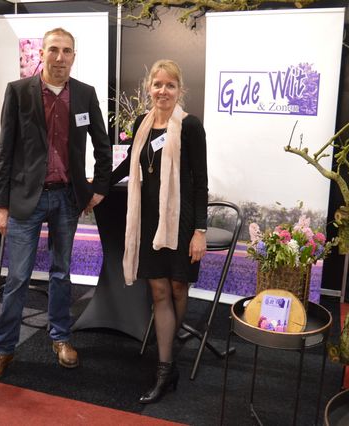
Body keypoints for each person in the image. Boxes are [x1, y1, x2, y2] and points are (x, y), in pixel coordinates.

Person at [0, 27, 112, 385]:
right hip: (26, 198)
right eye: (53, 49)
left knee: (61, 273)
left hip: (67, 198)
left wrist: (99, 188)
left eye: (66, 51)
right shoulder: (18, 91)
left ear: (74, 56)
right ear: (41, 53)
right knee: (18, 277)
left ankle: (61, 337)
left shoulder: (85, 94)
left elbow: (102, 145)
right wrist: (0, 205)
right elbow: (5, 151)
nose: (60, 57)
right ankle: (4, 348)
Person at [110, 59, 208, 403]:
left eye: (170, 85)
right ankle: (166, 369)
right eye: (157, 84)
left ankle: (170, 346)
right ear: (148, 88)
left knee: (178, 287)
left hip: (181, 222)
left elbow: (200, 182)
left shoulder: (190, 126)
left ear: (179, 90)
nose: (163, 91)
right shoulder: (142, 124)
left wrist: (200, 231)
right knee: (159, 292)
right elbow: (130, 163)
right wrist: (99, 186)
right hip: (149, 221)